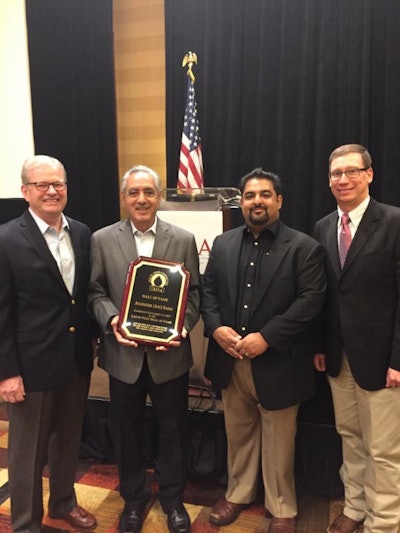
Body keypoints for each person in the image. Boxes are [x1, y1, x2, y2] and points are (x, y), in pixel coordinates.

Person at [201, 168, 326, 533]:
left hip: (279, 362)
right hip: (230, 359)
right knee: (237, 433)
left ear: (279, 200)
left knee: (280, 441)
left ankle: (282, 506)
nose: (257, 201)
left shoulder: (304, 248)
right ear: (241, 202)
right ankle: (238, 494)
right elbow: (207, 292)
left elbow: (310, 302)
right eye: (250, 195)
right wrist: (215, 327)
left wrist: (267, 337)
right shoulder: (223, 244)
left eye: (265, 194)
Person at [88, 165, 200, 533]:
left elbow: (194, 294)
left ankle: (172, 499)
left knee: (173, 431)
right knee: (127, 431)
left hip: (170, 357)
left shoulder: (183, 239)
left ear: (159, 196)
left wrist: (180, 328)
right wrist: (112, 321)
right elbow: (95, 292)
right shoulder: (102, 239)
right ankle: (133, 500)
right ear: (124, 198)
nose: (141, 199)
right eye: (134, 193)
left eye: (149, 192)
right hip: (123, 357)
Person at [0, 155, 98, 532]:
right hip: (30, 366)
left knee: (68, 441)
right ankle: (26, 522)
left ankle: (63, 503)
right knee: (27, 453)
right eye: (42, 184)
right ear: (25, 191)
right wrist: (7, 372)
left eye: (59, 183)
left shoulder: (82, 232)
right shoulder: (7, 239)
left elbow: (80, 296)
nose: (52, 190)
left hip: (74, 360)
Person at [313, 144, 400, 533]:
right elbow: (327, 295)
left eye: (351, 171)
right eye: (335, 174)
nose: (343, 180)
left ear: (369, 174)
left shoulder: (395, 222)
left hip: (382, 359)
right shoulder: (322, 227)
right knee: (350, 436)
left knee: (384, 450)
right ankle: (355, 508)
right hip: (337, 356)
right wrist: (320, 345)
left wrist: (398, 358)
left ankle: (384, 523)